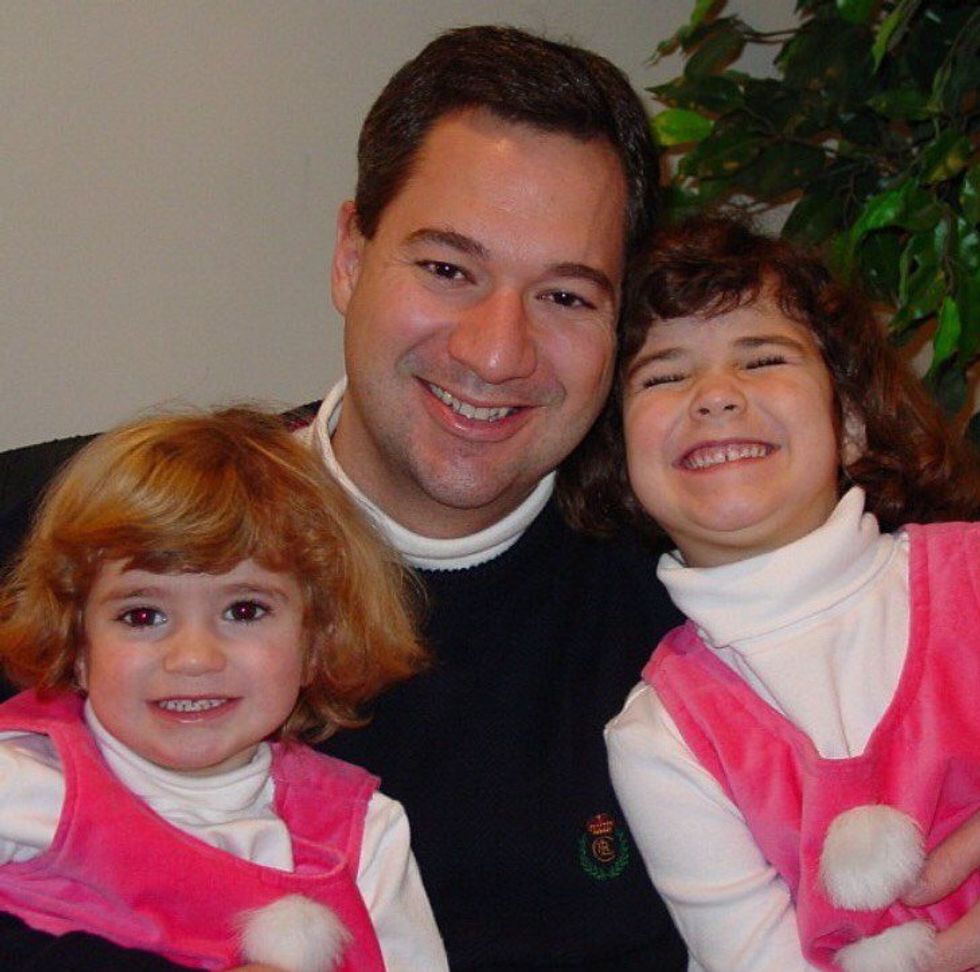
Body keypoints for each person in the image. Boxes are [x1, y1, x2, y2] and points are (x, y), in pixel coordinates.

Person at [4, 22, 979, 972]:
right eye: (446, 269)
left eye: (565, 296)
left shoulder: (713, 602)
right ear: (350, 255)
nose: (497, 352)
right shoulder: (65, 536)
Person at [573, 216, 980, 972]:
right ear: (621, 458)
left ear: (849, 423)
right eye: (664, 376)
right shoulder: (661, 736)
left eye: (762, 359)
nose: (715, 395)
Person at [0, 407, 447, 972]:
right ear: (78, 646)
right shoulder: (22, 781)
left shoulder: (362, 837)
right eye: (142, 616)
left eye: (244, 610)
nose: (194, 658)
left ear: (317, 638)